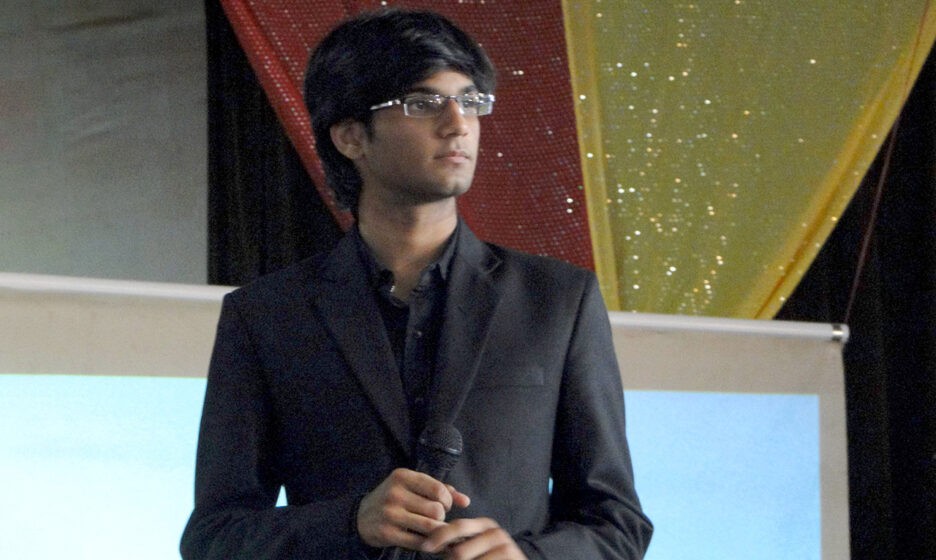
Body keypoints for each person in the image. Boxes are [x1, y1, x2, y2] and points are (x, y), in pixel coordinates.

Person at [180, 8, 652, 560]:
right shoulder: (267, 315)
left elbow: (617, 524)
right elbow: (214, 537)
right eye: (424, 104)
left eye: (470, 101)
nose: (458, 124)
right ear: (351, 137)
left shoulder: (557, 301)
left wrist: (529, 557)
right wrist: (351, 522)